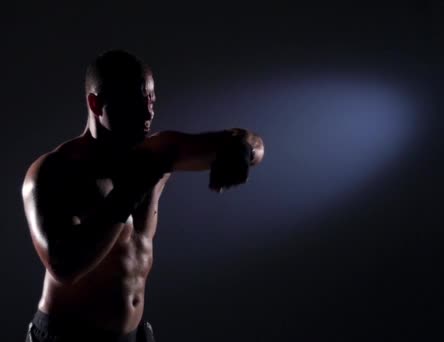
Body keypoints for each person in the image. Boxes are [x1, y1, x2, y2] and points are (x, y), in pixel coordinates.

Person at [21, 50, 265, 342]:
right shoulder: (55, 171)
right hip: (68, 336)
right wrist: (130, 191)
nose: (149, 113)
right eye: (135, 102)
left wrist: (241, 151)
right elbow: (64, 266)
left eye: (151, 100)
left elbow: (247, 141)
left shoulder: (156, 154)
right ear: (96, 103)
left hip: (134, 336)